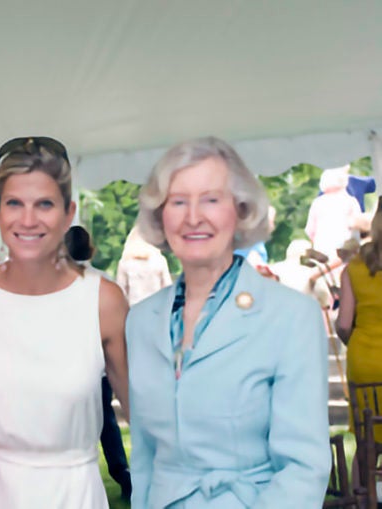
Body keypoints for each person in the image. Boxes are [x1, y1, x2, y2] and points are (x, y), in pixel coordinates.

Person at [127, 136, 330, 508]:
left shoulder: (291, 316)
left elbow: (304, 468)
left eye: (211, 199)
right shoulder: (141, 322)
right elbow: (143, 461)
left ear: (240, 210)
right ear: (160, 215)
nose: (193, 217)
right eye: (178, 201)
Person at [0, 137, 129, 509]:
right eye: (15, 203)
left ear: (68, 211)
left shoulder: (101, 300)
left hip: (72, 492)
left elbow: (145, 416)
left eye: (44, 203)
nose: (28, 220)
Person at [64, 225, 132, 500]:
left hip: (69, 365)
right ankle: (122, 474)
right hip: (101, 365)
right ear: (90, 249)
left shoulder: (57, 284)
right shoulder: (104, 281)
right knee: (106, 424)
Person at [336, 197, 382, 443]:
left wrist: (353, 341)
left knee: (366, 438)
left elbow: (343, 325)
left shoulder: (353, 268)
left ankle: (361, 482)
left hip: (363, 359)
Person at [305, 167, 361, 261]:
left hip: (322, 251)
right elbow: (358, 228)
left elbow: (310, 230)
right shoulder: (351, 201)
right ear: (343, 181)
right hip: (345, 252)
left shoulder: (317, 203)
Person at [116, 226, 172, 306]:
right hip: (156, 308)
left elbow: (121, 292)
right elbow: (167, 288)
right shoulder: (159, 261)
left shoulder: (125, 263)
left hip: (134, 309)